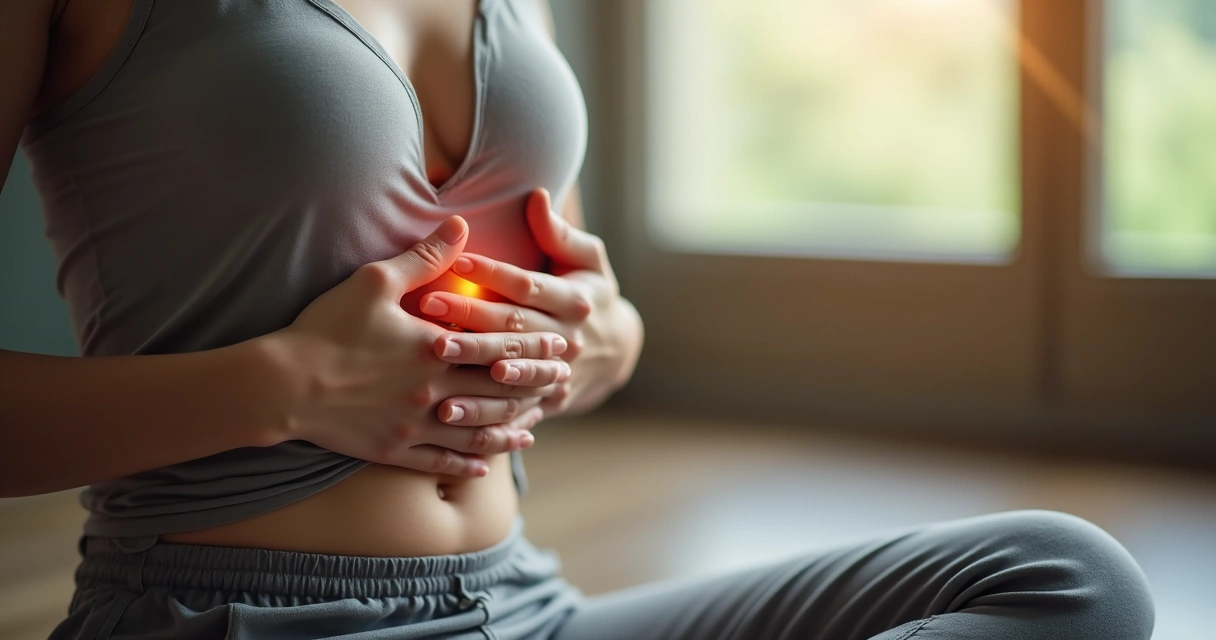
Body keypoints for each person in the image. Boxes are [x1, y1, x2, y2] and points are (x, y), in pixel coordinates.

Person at [0, 1, 1155, 638]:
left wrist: (604, 340)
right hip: (231, 620)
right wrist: (285, 383)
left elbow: (581, 294)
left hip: (522, 603)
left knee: (1064, 580)